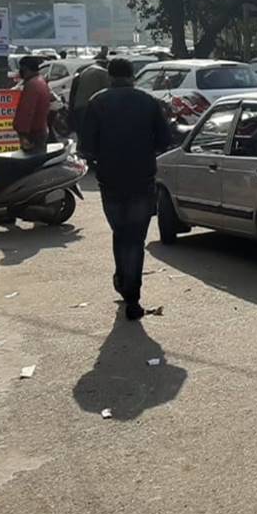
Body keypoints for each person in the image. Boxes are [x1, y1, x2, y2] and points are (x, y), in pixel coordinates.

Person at [79, 58, 173, 321]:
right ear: (132, 75)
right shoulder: (147, 101)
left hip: (110, 182)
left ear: (110, 76)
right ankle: (132, 294)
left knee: (121, 235)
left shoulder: (98, 102)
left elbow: (86, 148)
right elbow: (165, 141)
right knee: (135, 239)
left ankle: (125, 284)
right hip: (142, 180)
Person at [12, 56, 51, 152]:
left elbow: (26, 111)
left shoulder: (32, 85)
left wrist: (22, 134)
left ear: (25, 68)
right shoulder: (40, 81)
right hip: (41, 129)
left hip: (33, 133)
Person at [68, 46, 110, 132]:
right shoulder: (103, 73)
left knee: (83, 137)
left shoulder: (85, 72)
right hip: (92, 110)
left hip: (80, 108)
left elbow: (73, 93)